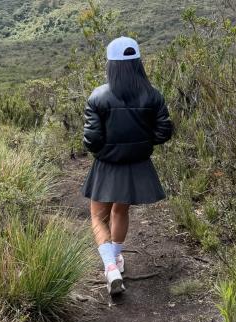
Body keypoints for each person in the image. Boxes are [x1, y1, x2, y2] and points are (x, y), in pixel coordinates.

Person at [82, 36, 173, 295]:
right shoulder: (153, 95)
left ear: (111, 65)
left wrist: (104, 150)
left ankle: (110, 267)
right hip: (136, 165)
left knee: (98, 217)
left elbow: (92, 140)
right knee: (120, 212)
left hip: (107, 165)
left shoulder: (98, 96)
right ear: (137, 64)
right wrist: (143, 144)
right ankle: (118, 259)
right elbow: (164, 131)